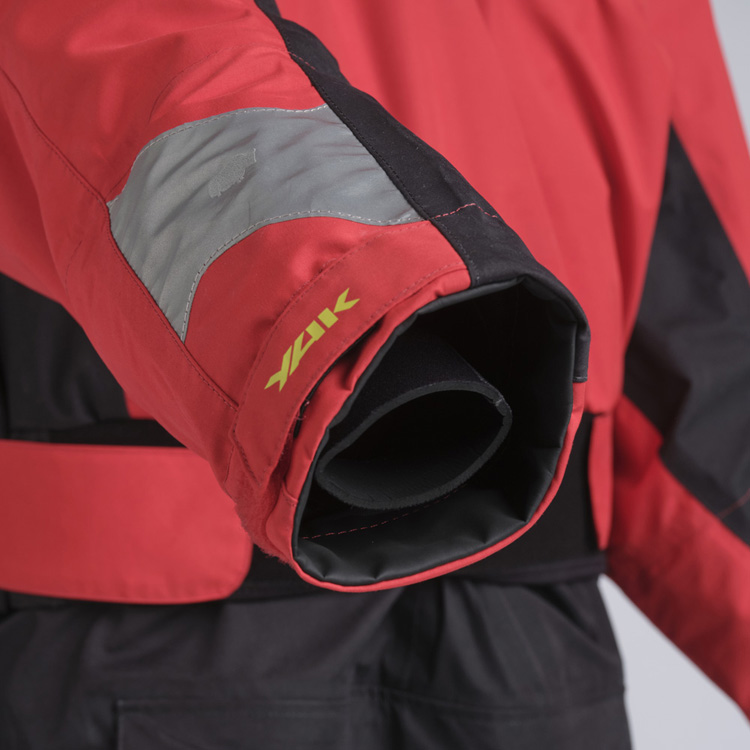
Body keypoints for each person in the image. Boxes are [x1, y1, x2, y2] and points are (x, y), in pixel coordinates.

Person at [1, 0, 748, 747]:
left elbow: (689, 292)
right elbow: (123, 46)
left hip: (530, 615)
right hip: (179, 622)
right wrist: (347, 318)